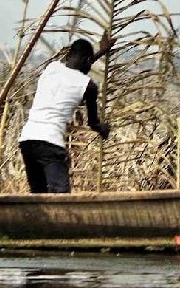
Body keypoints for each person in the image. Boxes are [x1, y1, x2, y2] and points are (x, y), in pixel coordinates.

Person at [18, 36, 113, 193]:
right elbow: (93, 123)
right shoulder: (89, 86)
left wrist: (99, 52)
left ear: (68, 56)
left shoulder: (52, 68)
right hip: (50, 142)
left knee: (38, 194)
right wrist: (103, 129)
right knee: (61, 195)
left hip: (28, 140)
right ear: (88, 60)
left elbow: (74, 69)